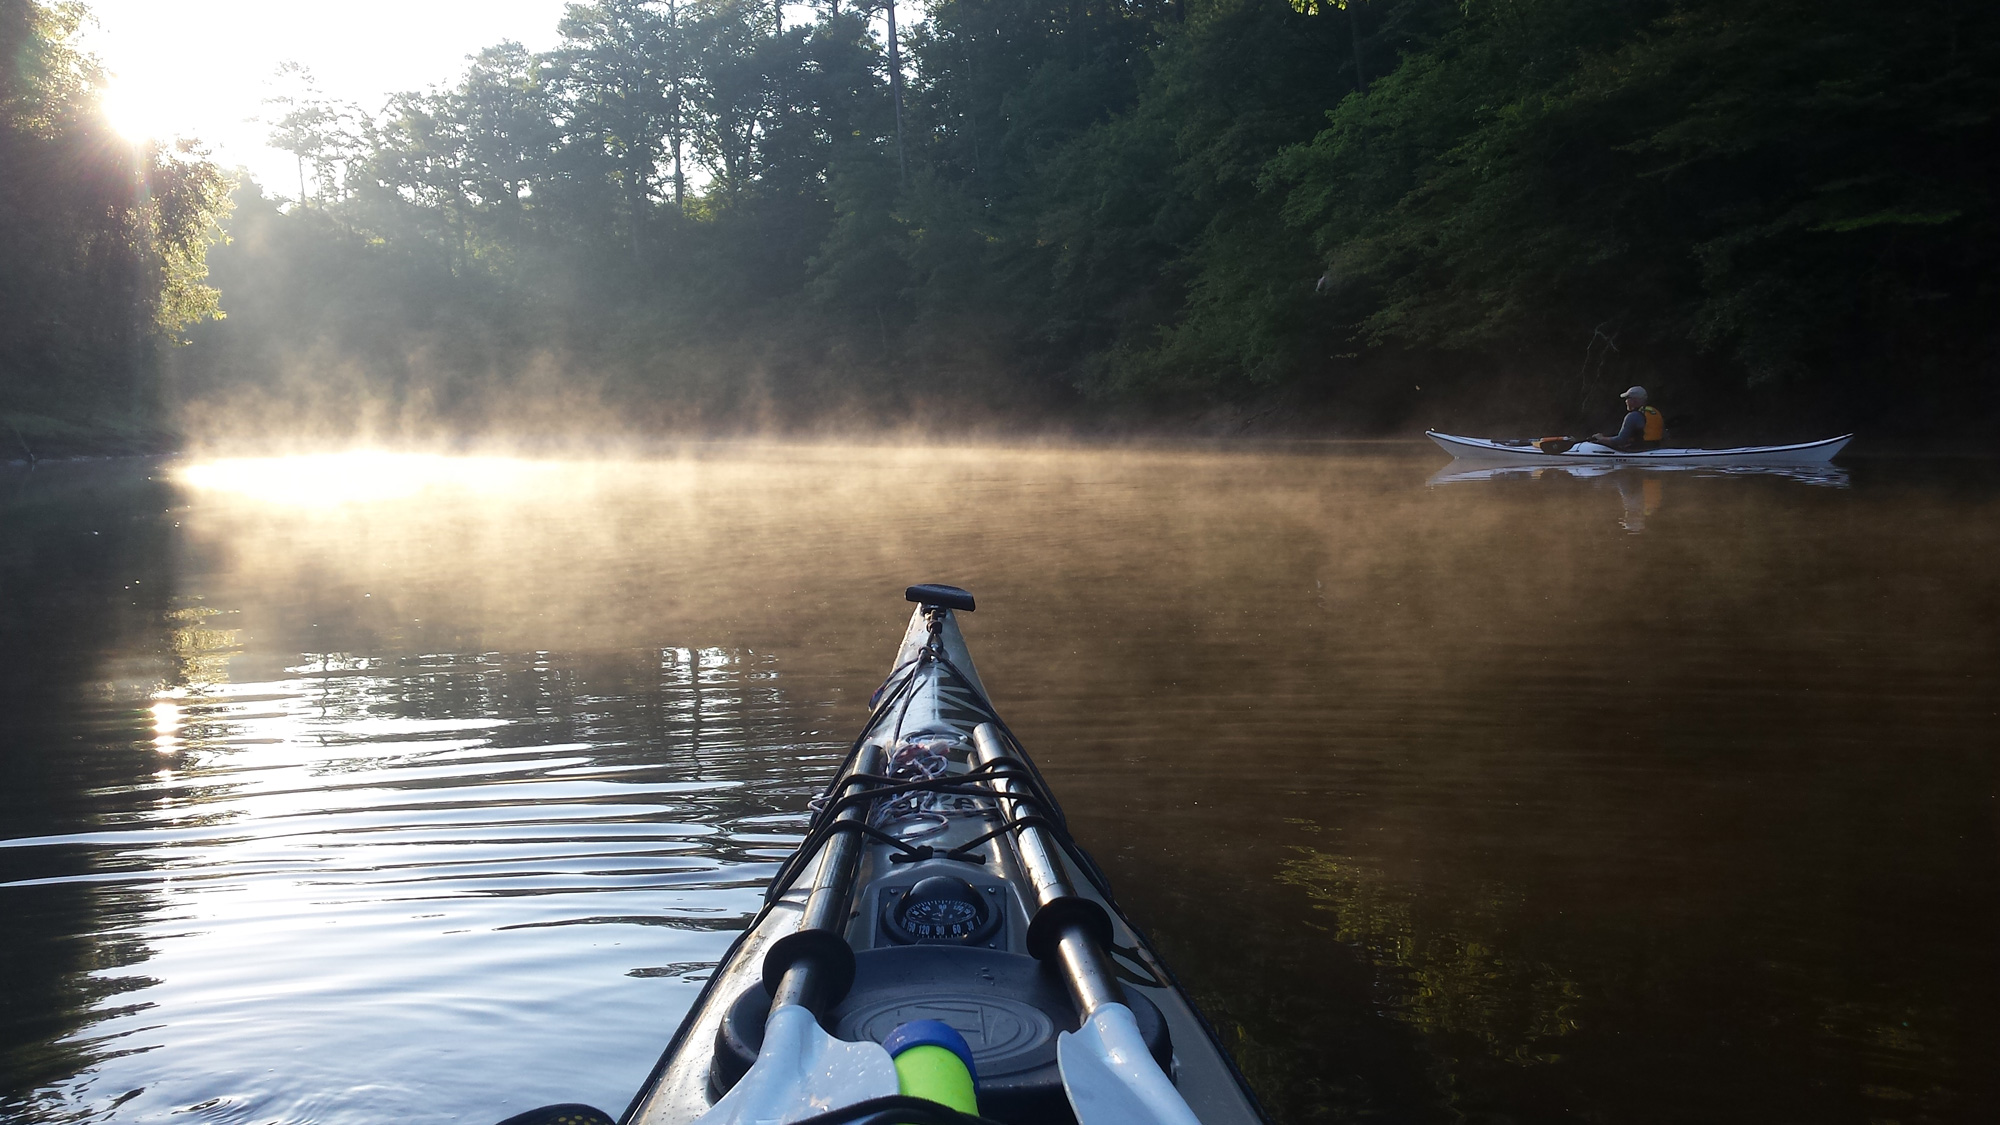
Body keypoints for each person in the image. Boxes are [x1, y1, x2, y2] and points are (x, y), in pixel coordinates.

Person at [1592, 386, 1666, 451]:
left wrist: (1601, 439)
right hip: (1656, 448)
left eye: (1627, 398)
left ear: (1634, 400)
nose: (1625, 401)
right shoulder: (1654, 412)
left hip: (1639, 450)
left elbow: (1620, 440)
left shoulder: (1633, 416)